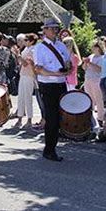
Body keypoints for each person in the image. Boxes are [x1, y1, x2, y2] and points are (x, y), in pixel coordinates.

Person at [33, 18, 71, 162]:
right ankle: (49, 150)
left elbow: (67, 62)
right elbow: (39, 69)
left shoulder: (61, 45)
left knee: (60, 117)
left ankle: (52, 147)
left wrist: (68, 69)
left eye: (56, 28)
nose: (55, 30)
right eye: (52, 28)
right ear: (45, 30)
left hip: (61, 84)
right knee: (52, 119)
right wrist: (56, 73)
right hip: (48, 85)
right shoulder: (39, 48)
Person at [14, 33, 38, 129]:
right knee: (21, 97)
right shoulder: (26, 49)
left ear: (31, 41)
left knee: (28, 97)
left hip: (29, 75)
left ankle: (29, 119)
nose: (25, 41)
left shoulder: (32, 50)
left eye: (26, 40)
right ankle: (20, 119)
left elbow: (25, 63)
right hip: (23, 75)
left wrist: (18, 56)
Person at [82, 39, 105, 122]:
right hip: (88, 79)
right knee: (89, 99)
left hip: (97, 80)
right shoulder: (91, 56)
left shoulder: (102, 58)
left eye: (94, 46)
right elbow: (84, 68)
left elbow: (99, 69)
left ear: (98, 47)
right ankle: (90, 117)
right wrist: (85, 63)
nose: (92, 48)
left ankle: (101, 117)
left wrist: (89, 63)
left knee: (98, 99)